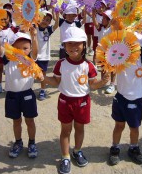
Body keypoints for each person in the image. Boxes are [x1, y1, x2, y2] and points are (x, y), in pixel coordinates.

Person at [43, 27, 109, 174]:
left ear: (84, 45)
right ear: (64, 46)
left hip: (83, 102)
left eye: (77, 43)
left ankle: (77, 150)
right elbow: (56, 82)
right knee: (65, 130)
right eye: (69, 43)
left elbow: (92, 85)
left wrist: (103, 82)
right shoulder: (61, 64)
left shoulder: (88, 66)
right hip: (65, 101)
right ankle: (65, 156)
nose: (73, 47)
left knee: (80, 128)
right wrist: (44, 78)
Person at [108, 19, 142, 166]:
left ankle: (133, 148)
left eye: (136, 45)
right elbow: (113, 42)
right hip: (120, 98)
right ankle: (115, 148)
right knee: (119, 126)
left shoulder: (141, 60)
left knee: (134, 128)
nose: (133, 47)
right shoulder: (119, 57)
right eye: (129, 44)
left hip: (135, 100)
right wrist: (115, 27)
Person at [0, 27, 41, 159]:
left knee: (30, 121)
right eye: (18, 48)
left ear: (30, 49)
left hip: (27, 94)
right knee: (16, 122)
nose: (22, 51)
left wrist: (35, 37)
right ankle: (18, 142)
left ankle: (32, 143)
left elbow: (36, 52)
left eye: (25, 48)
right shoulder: (8, 59)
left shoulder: (29, 60)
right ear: (12, 48)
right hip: (12, 96)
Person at [0, 9, 18, 96]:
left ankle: (11, 85)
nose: (3, 20)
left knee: (10, 70)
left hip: (10, 53)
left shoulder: (14, 29)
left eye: (5, 18)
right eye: (1, 18)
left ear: (9, 18)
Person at [36, 10, 59, 100]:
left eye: (47, 20)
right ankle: (28, 89)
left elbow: (56, 26)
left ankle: (42, 90)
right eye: (42, 19)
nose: (44, 21)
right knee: (31, 74)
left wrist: (56, 17)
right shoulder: (34, 28)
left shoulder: (48, 30)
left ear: (49, 22)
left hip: (44, 57)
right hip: (33, 56)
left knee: (43, 75)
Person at [93, 9, 116, 94]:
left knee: (112, 68)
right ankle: (103, 82)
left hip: (111, 51)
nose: (102, 19)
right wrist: (93, 13)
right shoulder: (100, 28)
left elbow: (116, 23)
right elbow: (95, 22)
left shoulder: (112, 29)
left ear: (109, 20)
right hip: (102, 51)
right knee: (103, 67)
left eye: (104, 18)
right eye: (102, 18)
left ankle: (112, 84)